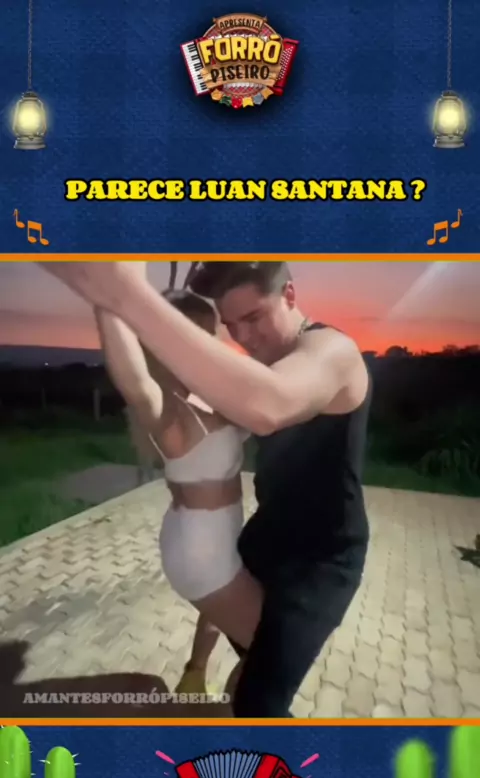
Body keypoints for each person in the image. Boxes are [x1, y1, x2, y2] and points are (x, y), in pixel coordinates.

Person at [40, 260, 371, 718]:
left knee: (259, 690)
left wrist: (122, 293)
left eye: (253, 317)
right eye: (231, 326)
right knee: (260, 683)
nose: (244, 338)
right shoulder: (227, 383)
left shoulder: (332, 351)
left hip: (321, 556)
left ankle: (229, 695)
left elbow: (268, 406)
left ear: (290, 295)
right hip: (264, 536)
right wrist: (109, 303)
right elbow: (143, 386)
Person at [93, 282, 262, 699]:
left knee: (224, 612)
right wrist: (108, 295)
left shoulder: (200, 394)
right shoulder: (166, 407)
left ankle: (193, 678)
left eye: (208, 334)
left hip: (210, 537)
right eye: (193, 335)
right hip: (201, 552)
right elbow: (133, 382)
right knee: (271, 650)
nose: (205, 345)